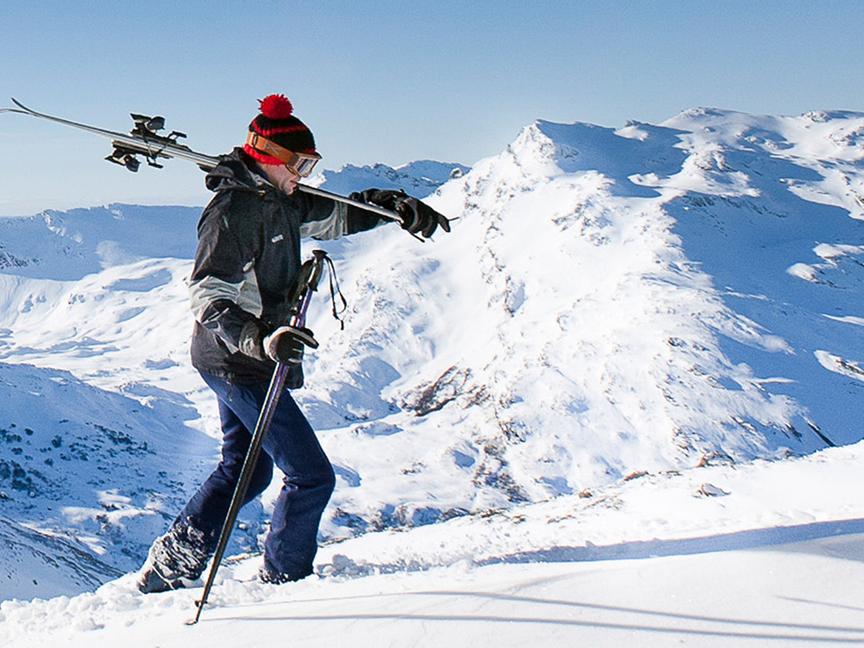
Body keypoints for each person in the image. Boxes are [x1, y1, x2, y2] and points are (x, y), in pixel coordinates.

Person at [137, 93, 450, 593]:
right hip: (235, 358)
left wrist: (393, 208)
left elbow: (336, 215)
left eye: (311, 163)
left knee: (246, 469)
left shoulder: (278, 200)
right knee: (310, 475)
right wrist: (260, 340)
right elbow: (207, 293)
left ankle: (170, 566)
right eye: (300, 163)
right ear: (270, 158)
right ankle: (288, 583)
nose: (305, 172)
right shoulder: (234, 211)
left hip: (249, 356)